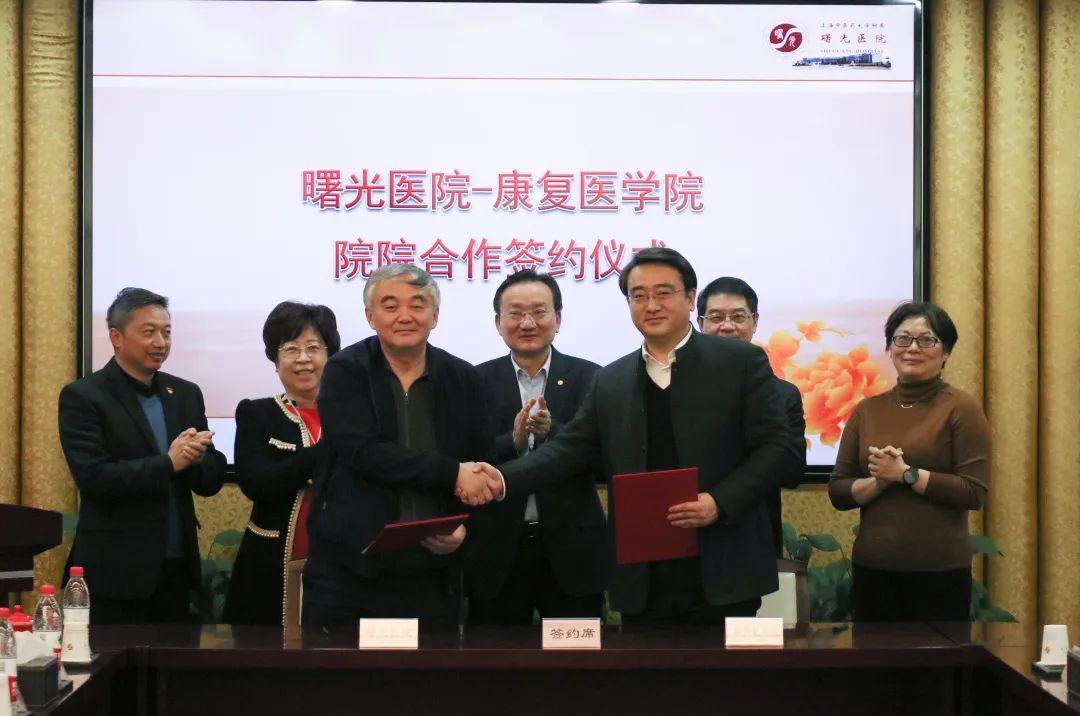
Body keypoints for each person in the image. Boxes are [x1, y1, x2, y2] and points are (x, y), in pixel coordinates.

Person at [465, 248, 800, 625]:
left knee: (723, 666)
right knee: (644, 663)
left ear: (690, 298)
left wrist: (719, 501)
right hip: (644, 572)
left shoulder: (740, 363)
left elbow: (777, 449)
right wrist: (501, 478)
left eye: (664, 292)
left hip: (725, 561)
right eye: (639, 295)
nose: (651, 305)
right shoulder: (612, 379)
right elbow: (568, 449)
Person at [303, 264, 497, 629]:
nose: (405, 316)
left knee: (429, 667)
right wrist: (451, 472)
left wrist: (465, 530)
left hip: (432, 571)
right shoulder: (345, 371)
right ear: (370, 317)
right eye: (390, 306)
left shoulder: (464, 378)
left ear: (435, 315)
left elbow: (483, 462)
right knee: (339, 665)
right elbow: (363, 452)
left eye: (417, 305)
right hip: (350, 568)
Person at [58, 287, 226, 624]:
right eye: (149, 332)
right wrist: (169, 462)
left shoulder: (185, 394)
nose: (160, 342)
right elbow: (95, 478)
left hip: (175, 568)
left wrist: (197, 459)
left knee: (173, 658)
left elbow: (209, 479)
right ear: (116, 337)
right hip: (114, 572)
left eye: (166, 333)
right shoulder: (84, 396)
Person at [828, 301, 990, 622]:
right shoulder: (867, 410)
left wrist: (907, 474)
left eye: (926, 340)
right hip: (873, 570)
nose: (912, 348)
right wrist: (879, 481)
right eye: (902, 339)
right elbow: (839, 492)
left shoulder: (961, 408)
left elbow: (973, 492)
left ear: (946, 352)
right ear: (890, 348)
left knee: (937, 657)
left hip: (940, 573)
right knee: (874, 655)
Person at [467, 270, 609, 625]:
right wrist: (511, 443)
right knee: (495, 654)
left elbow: (606, 459)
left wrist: (554, 433)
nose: (527, 323)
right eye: (515, 313)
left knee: (575, 654)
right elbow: (464, 459)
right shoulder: (472, 381)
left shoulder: (594, 378)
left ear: (557, 319)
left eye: (539, 312)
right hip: (496, 551)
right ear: (498, 322)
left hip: (573, 551)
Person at [221, 302, 340, 625]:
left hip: (341, 565)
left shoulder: (351, 414)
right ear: (275, 361)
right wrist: (323, 453)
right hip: (268, 566)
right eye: (290, 349)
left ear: (330, 356)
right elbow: (256, 482)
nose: (303, 359)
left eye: (313, 348)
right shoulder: (257, 414)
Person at [696, 277, 806, 556]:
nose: (727, 326)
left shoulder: (783, 395)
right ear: (700, 323)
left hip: (755, 533)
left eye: (738, 317)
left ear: (755, 322)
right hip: (691, 530)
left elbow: (792, 472)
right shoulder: (678, 385)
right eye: (716, 317)